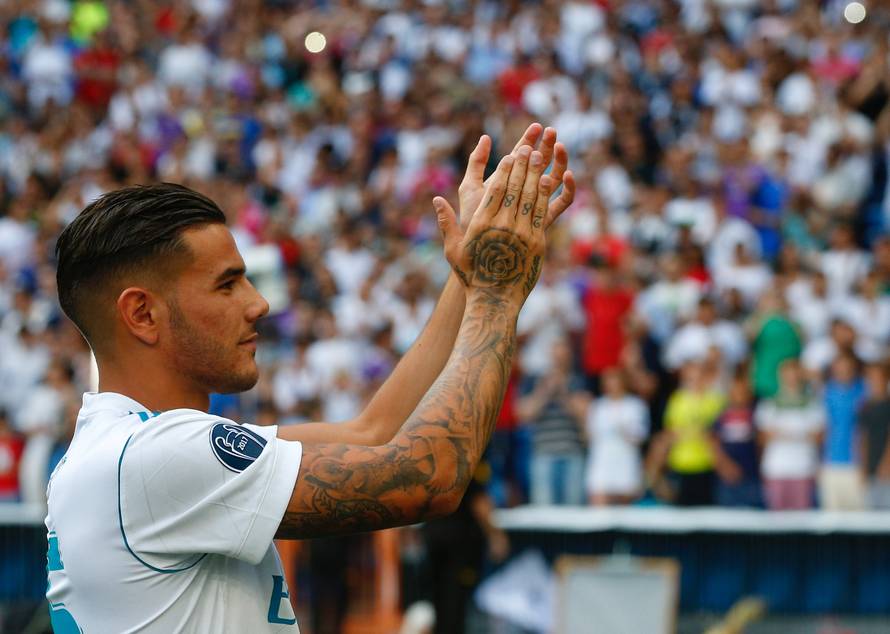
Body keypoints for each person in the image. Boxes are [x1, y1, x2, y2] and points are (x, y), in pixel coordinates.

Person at [44, 123, 576, 632]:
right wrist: (497, 292)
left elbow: (377, 432)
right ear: (142, 314)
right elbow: (426, 474)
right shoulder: (153, 456)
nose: (259, 304)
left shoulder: (126, 449)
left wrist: (467, 276)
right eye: (227, 285)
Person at [517, 338, 589, 506]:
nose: (559, 360)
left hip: (573, 453)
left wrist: (563, 393)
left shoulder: (579, 381)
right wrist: (545, 392)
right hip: (543, 454)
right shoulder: (535, 381)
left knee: (574, 511)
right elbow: (523, 414)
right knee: (544, 512)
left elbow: (584, 414)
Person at [755, 359, 825, 510]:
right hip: (776, 469)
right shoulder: (769, 404)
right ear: (780, 376)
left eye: (795, 374)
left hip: (803, 469)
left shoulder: (813, 404)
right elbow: (762, 437)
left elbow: (819, 436)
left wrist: (781, 433)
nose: (791, 378)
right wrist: (801, 434)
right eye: (787, 374)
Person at [585, 367, 648, 505]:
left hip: (626, 464)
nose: (612, 384)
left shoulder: (635, 405)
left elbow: (640, 436)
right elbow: (590, 436)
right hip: (602, 464)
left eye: (615, 380)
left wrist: (623, 430)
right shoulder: (598, 406)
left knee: (625, 509)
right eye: (608, 380)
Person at [819, 352, 867, 510]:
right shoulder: (825, 394)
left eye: (848, 368)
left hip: (857, 464)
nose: (843, 371)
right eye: (840, 368)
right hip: (831, 464)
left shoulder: (865, 391)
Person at [711, 374, 761, 508]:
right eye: (736, 391)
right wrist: (724, 465)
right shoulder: (722, 416)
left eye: (743, 391)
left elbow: (762, 443)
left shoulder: (757, 415)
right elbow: (713, 443)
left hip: (752, 476)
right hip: (727, 478)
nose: (740, 395)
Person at [858, 363, 890, 509]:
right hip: (871, 468)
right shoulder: (865, 406)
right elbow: (863, 438)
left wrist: (886, 463)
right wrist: (863, 466)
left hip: (885, 470)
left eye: (878, 378)